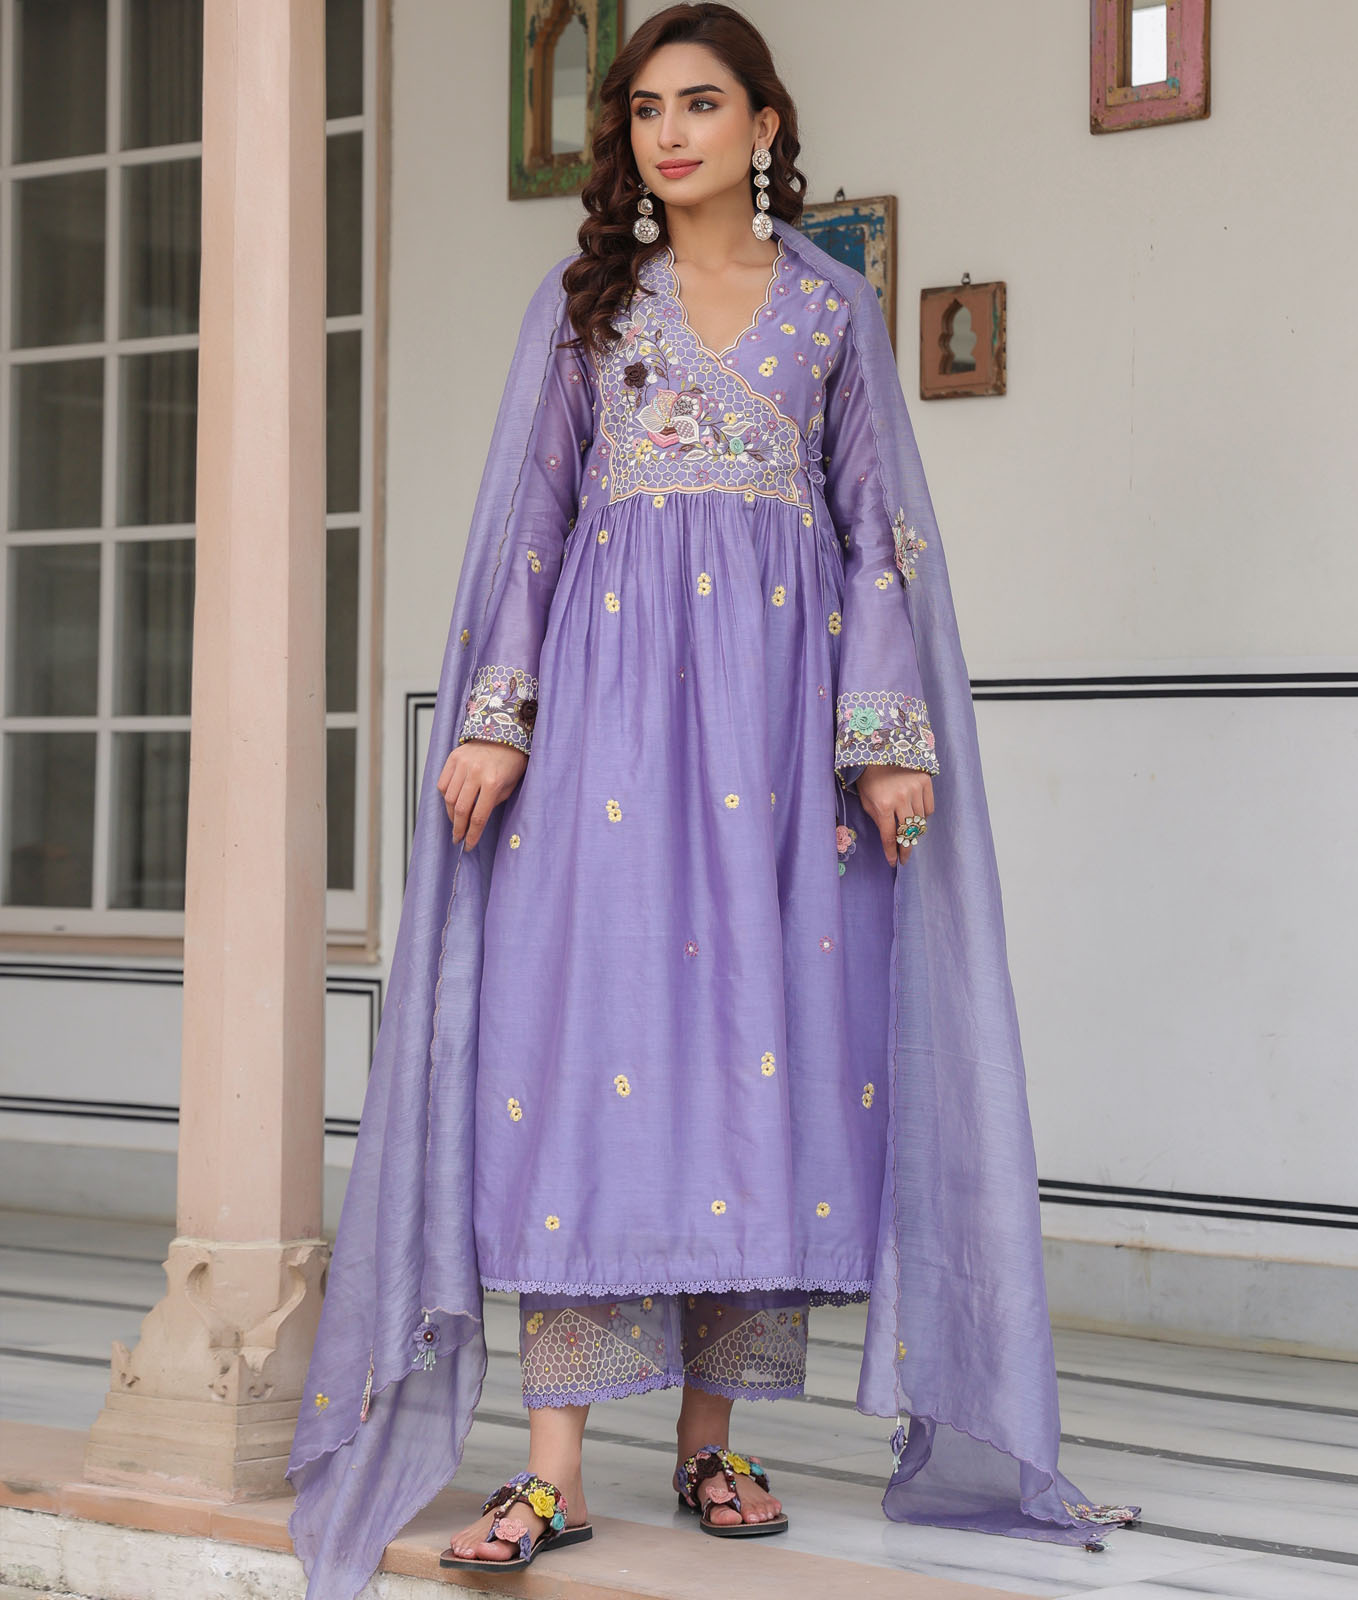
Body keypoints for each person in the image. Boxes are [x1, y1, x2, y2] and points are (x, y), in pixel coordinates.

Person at [286, 7, 1140, 1597]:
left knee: (767, 1061)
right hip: (607, 739)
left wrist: (885, 741)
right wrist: (496, 722)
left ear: (764, 124)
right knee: (585, 1063)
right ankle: (551, 1473)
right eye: (645, 111)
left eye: (700, 104)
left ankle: (710, 1444)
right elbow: (533, 524)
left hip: (778, 744)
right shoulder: (590, 306)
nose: (669, 133)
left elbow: (877, 531)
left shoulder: (831, 310)